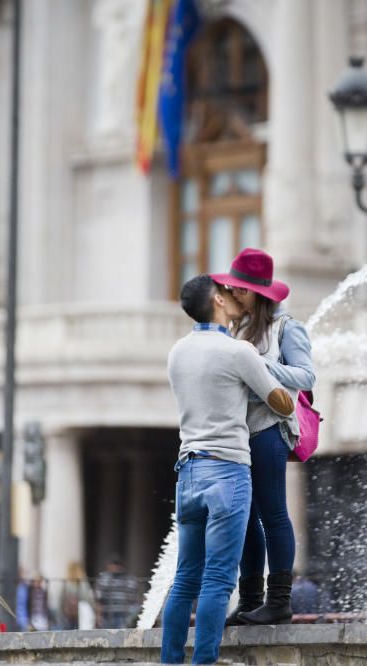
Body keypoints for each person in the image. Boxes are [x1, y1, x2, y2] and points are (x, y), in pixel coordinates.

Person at [161, 275, 295, 665]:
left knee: (185, 580)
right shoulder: (239, 353)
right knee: (218, 580)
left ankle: (169, 662)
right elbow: (282, 404)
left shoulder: (177, 351)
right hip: (228, 472)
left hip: (187, 472)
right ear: (218, 300)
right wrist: (269, 376)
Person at [212, 248, 316, 626]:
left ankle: (279, 601)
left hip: (270, 429)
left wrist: (261, 367)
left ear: (257, 292)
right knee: (246, 517)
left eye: (239, 289)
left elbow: (306, 376)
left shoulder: (287, 327)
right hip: (237, 431)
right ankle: (251, 599)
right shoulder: (236, 329)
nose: (233, 294)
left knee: (273, 512)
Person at [96, 557, 139, 628]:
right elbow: (99, 600)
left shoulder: (130, 579)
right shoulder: (104, 579)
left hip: (125, 616)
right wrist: (99, 616)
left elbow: (135, 599)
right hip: (107, 616)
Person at [61, 561, 97, 630]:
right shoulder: (82, 582)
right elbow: (87, 597)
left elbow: (61, 599)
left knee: (69, 631)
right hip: (81, 611)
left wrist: (62, 610)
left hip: (70, 613)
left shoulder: (66, 582)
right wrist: (93, 608)